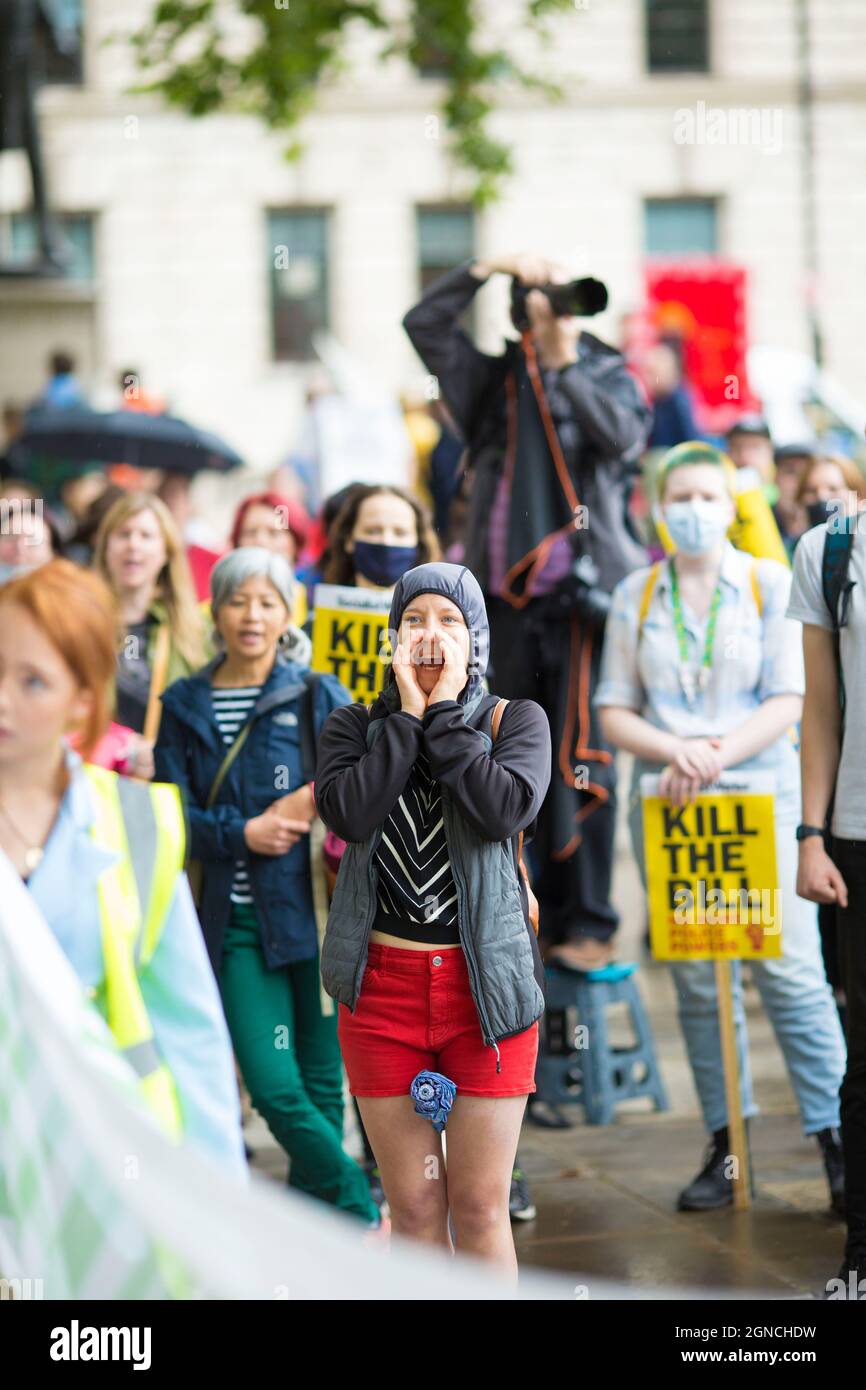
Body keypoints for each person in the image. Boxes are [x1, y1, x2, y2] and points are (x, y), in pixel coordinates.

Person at [595, 441, 846, 1213]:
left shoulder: (771, 584)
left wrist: (710, 756)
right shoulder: (636, 594)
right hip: (672, 810)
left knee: (791, 972)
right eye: (681, 498)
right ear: (657, 506)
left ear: (731, 503)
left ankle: (839, 1141)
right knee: (701, 982)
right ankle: (725, 1144)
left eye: (709, 496)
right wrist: (677, 751)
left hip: (760, 798)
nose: (693, 511)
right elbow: (612, 708)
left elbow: (790, 697)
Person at [403, 252, 651, 976]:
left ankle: (590, 919)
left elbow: (626, 441)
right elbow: (424, 322)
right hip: (503, 604)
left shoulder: (603, 370)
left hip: (581, 601)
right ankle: (522, 912)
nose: (545, 313)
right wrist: (480, 268)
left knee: (584, 758)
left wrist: (566, 357)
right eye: (533, 302)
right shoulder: (494, 380)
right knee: (509, 763)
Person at [315, 561, 552, 1272]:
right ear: (392, 639)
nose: (430, 634)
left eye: (449, 621)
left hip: (487, 993)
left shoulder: (518, 721)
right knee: (415, 1208)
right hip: (381, 990)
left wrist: (447, 714)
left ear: (474, 639)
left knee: (480, 1208)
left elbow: (501, 808)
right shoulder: (353, 725)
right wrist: (409, 719)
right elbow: (351, 813)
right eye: (414, 620)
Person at [153, 547, 381, 1229]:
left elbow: (366, 781)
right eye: (236, 601)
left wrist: (314, 795)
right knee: (275, 1089)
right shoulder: (184, 703)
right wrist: (242, 832)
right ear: (215, 611)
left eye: (267, 601)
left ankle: (323, 1243)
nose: (251, 615)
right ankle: (360, 1208)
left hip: (314, 913)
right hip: (236, 922)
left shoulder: (316, 693)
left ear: (288, 613)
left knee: (320, 1081)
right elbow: (169, 816)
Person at [0, 559, 245, 1176]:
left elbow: (189, 1028)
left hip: (103, 1169)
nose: (2, 697)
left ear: (82, 703)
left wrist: (220, 1216)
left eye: (32, 681)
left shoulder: (140, 821)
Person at [787, 479, 866, 1292]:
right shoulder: (831, 551)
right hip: (856, 834)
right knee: (865, 1054)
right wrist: (811, 835)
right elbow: (819, 711)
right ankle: (861, 1260)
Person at [94, 492, 207, 745]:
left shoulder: (192, 630)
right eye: (123, 534)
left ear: (166, 552)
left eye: (146, 536)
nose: (133, 545)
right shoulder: (81, 621)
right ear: (105, 547)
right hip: (93, 772)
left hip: (163, 776)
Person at [323, 483, 439, 591]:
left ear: (419, 542)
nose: (387, 541)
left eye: (400, 533)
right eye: (373, 531)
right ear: (348, 539)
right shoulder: (320, 608)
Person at [230, 490, 310, 626]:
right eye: (250, 532)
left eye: (274, 533)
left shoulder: (316, 604)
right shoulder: (217, 609)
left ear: (295, 542)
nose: (261, 541)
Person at [645, 339, 705, 450]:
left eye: (653, 373)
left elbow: (691, 440)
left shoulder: (679, 400)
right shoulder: (658, 400)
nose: (649, 379)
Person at [798, 452, 866, 530]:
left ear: (858, 497)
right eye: (811, 490)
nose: (822, 497)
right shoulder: (800, 541)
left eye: (833, 489)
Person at [772, 443, 814, 554]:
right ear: (775, 477)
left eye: (806, 473)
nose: (799, 481)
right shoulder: (761, 519)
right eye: (790, 472)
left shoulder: (824, 526)